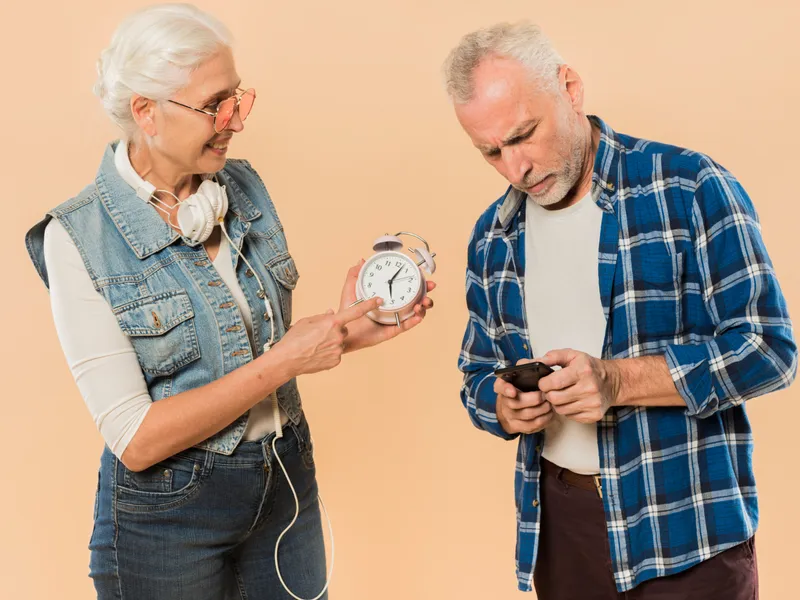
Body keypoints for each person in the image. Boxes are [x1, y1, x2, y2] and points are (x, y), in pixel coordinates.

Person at [24, 4, 434, 598]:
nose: (235, 120)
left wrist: (345, 330)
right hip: (168, 520)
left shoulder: (241, 187)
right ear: (147, 112)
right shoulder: (77, 238)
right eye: (215, 103)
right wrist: (286, 361)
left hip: (285, 481)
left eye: (237, 97)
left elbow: (254, 345)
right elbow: (135, 439)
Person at [446, 21, 795, 599]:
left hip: (689, 534)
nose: (516, 169)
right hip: (560, 532)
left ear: (570, 88)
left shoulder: (689, 187)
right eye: (491, 151)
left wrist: (617, 381)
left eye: (524, 134)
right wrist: (503, 407)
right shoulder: (494, 234)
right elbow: (477, 374)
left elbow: (768, 350)